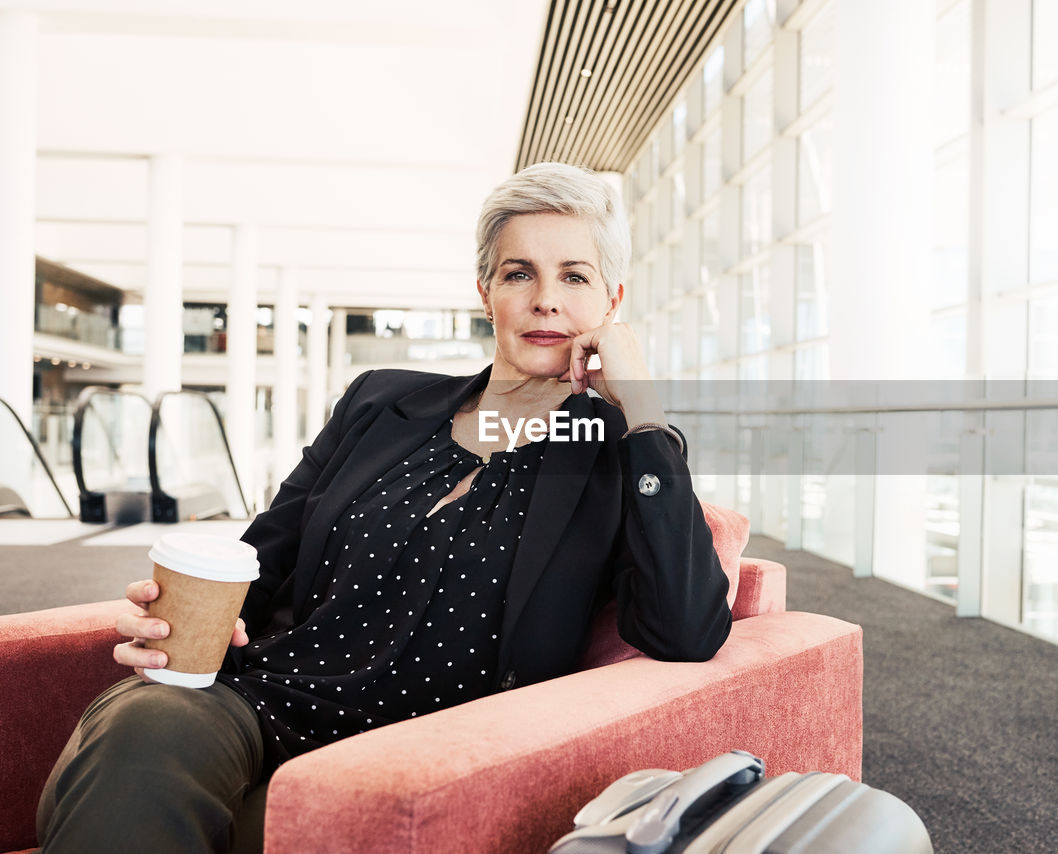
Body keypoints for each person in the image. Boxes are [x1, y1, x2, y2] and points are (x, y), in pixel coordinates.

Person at [35, 162, 732, 853]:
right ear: (485, 291)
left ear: (612, 302)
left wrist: (643, 410)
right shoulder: (379, 400)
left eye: (573, 276)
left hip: (412, 761)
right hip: (262, 706)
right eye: (519, 273)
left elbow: (687, 628)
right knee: (148, 726)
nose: (546, 300)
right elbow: (262, 560)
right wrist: (175, 619)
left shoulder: (621, 455)